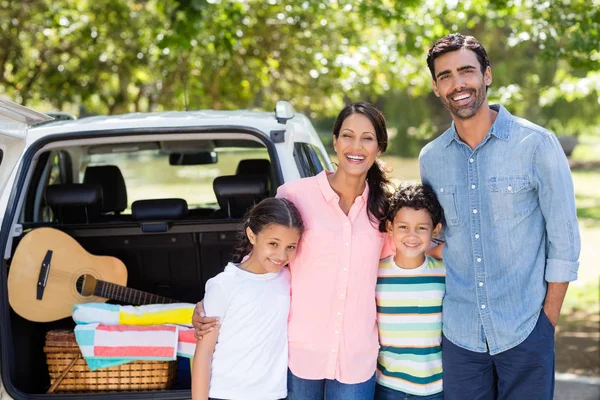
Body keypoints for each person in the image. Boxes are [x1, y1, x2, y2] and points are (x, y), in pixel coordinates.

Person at [194, 102, 394, 399]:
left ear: (379, 148)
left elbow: (405, 260)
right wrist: (210, 303)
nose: (356, 146)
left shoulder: (384, 209)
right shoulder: (296, 194)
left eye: (367, 138)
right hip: (299, 354)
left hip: (356, 357)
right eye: (348, 136)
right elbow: (264, 259)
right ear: (335, 142)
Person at [420, 33, 581, 399]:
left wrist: (546, 323)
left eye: (466, 71)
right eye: (445, 76)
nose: (457, 83)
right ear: (435, 87)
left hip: (526, 330)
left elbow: (565, 241)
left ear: (487, 75)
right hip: (460, 336)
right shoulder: (431, 159)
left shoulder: (537, 145)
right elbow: (441, 238)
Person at [191, 197, 304, 400]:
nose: (281, 254)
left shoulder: (288, 279)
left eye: (291, 246)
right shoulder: (224, 285)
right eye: (273, 243)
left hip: (272, 395)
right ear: (252, 235)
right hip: (226, 394)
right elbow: (203, 353)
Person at [375, 183, 445, 400]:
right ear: (390, 227)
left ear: (435, 230)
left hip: (434, 388)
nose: (412, 235)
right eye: (403, 227)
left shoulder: (444, 273)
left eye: (421, 228)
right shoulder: (376, 273)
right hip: (388, 386)